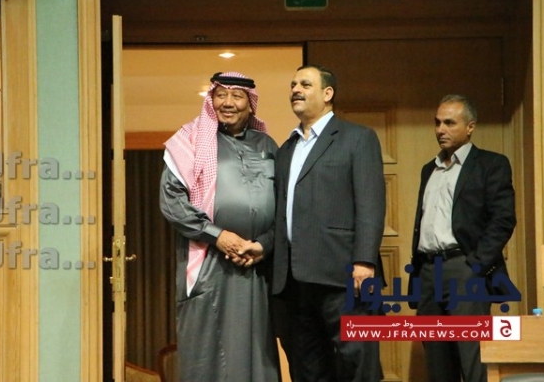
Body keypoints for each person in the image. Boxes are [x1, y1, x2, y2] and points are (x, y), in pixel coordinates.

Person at [159, 71, 281, 381]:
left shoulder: (267, 145)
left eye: (237, 96)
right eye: (220, 95)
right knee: (210, 352)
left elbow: (285, 208)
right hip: (210, 262)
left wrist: (264, 244)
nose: (228, 102)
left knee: (257, 352)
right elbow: (173, 203)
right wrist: (219, 236)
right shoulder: (189, 142)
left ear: (250, 105)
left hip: (257, 265)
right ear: (211, 100)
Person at [271, 64, 386, 382]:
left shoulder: (357, 138)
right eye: (293, 84)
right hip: (294, 283)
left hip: (345, 277)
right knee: (307, 368)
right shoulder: (286, 149)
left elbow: (370, 203)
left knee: (357, 365)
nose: (296, 90)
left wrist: (364, 261)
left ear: (328, 93)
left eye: (305, 84)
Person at [408, 94, 517, 382]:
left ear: (470, 127)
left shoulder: (490, 165)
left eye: (449, 123)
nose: (440, 130)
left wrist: (476, 265)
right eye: (437, 123)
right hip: (428, 272)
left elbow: (503, 219)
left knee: (473, 359)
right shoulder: (429, 169)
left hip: (465, 269)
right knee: (437, 362)